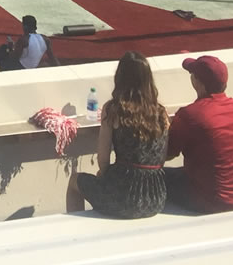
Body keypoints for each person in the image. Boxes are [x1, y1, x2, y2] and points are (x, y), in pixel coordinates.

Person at [67, 51, 169, 218]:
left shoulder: (113, 110)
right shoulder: (160, 112)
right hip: (155, 198)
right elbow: (161, 158)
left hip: (123, 196)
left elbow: (103, 160)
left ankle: (75, 232)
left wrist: (105, 176)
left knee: (74, 182)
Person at [164, 54, 233, 213]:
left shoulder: (190, 115)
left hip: (207, 199)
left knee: (154, 178)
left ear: (197, 83)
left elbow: (166, 153)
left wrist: (166, 124)